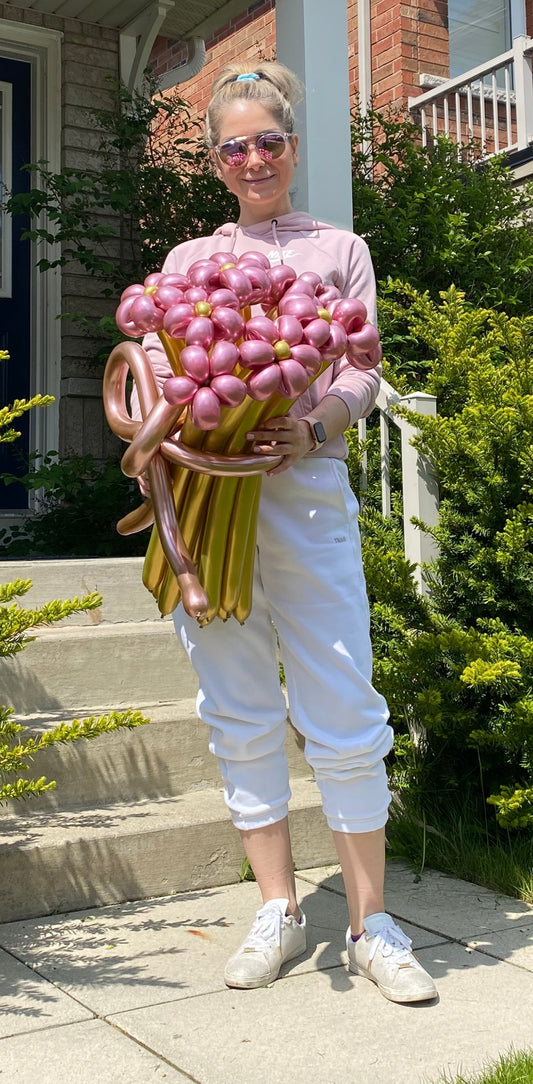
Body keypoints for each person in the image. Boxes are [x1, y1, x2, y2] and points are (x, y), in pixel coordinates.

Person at [138, 61, 437, 1004]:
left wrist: (311, 427)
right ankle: (276, 907)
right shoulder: (188, 262)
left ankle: (370, 922)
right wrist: (161, 422)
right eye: (236, 145)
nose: (254, 157)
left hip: (303, 492)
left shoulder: (340, 249)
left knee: (343, 703)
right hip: (203, 503)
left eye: (270, 140)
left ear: (292, 149)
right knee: (236, 707)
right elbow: (153, 369)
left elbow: (356, 372)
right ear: (219, 161)